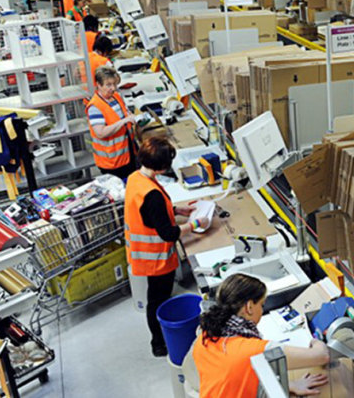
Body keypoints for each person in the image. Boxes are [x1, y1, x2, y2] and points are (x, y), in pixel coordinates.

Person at [124, 136, 211, 357]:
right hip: (156, 259)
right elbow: (168, 233)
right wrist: (195, 224)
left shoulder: (136, 178)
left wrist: (176, 210)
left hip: (142, 254)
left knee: (156, 298)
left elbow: (151, 214)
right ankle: (159, 343)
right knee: (158, 300)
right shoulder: (151, 195)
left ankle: (159, 340)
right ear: (162, 167)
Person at [193, 274, 331, 397]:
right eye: (262, 305)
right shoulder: (255, 352)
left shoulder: (204, 337)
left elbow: (234, 378)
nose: (262, 311)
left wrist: (290, 385)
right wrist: (315, 341)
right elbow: (321, 356)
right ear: (249, 307)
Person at [87, 67, 137, 181]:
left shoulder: (116, 97)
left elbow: (125, 113)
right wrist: (124, 121)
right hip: (111, 161)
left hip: (127, 154)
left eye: (114, 84)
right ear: (98, 85)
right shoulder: (95, 107)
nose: (113, 88)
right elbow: (100, 132)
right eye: (108, 85)